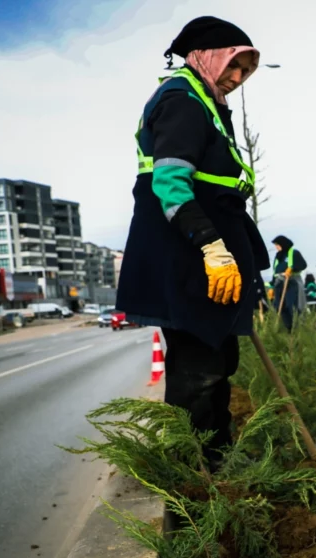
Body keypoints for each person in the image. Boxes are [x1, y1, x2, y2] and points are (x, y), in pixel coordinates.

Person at [115, 16, 268, 467]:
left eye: (245, 70)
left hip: (205, 255)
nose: (237, 79)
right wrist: (211, 247)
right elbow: (171, 184)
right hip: (189, 257)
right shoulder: (182, 100)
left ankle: (219, 455)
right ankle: (194, 470)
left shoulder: (206, 100)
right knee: (199, 366)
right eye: (233, 66)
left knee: (219, 356)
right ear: (206, 56)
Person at [271, 235, 307, 330]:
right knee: (279, 306)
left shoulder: (294, 253)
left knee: (291, 306)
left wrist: (292, 268)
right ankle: (286, 328)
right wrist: (272, 286)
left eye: (277, 245)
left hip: (291, 282)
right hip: (279, 283)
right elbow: (275, 271)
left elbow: (303, 265)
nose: (276, 247)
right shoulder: (278, 256)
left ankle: (295, 327)